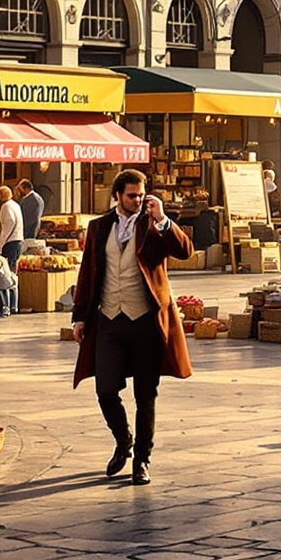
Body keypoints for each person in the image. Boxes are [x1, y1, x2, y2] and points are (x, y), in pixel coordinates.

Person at [72, 168, 194, 486]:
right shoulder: (99, 227)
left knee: (145, 395)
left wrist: (163, 219)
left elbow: (184, 251)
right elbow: (88, 272)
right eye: (131, 196)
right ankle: (123, 440)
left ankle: (141, 460)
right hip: (109, 320)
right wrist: (80, 316)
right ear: (118, 196)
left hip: (145, 322)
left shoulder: (153, 224)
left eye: (141, 195)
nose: (138, 200)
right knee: (105, 389)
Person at [0, 185, 25, 272]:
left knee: (7, 270)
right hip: (18, 240)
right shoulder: (16, 205)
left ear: (2, 195)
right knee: (13, 268)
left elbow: (9, 223)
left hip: (10, 242)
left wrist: (0, 244)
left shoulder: (6, 206)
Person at [16, 178, 48, 248]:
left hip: (29, 231)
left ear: (26, 189)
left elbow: (30, 218)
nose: (19, 192)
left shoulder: (33, 199)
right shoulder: (36, 198)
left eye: (20, 189)